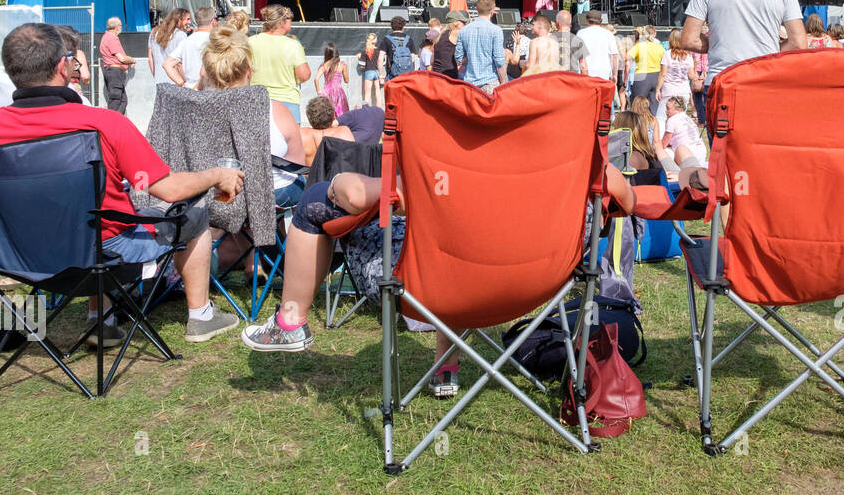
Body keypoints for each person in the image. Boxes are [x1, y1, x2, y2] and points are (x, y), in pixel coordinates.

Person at [0, 22, 243, 344]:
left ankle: (102, 321)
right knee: (194, 217)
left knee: (95, 216)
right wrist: (216, 174)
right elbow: (170, 189)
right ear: (62, 66)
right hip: (102, 260)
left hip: (19, 260)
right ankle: (201, 316)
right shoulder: (104, 123)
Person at [240, 166, 639, 366]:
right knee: (463, 248)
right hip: (537, 277)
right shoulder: (572, 172)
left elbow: (356, 195)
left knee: (314, 200)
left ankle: (291, 320)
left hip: (424, 280)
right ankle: (444, 369)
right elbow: (628, 201)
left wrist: (338, 179)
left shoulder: (443, 174)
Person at [202, 26, 307, 209]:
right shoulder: (274, 109)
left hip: (211, 195)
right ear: (249, 71)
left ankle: (234, 237)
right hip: (271, 197)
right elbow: (297, 165)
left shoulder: (194, 111)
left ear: (208, 72)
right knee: (309, 186)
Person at [249, 5, 310, 121]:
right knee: (290, 139)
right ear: (281, 22)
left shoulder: (250, 42)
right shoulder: (293, 45)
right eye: (289, 19)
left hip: (256, 99)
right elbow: (304, 75)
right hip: (286, 101)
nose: (291, 22)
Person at [455, 0, 507, 92]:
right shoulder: (496, 30)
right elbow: (499, 61)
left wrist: (472, 55)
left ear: (477, 10)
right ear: (492, 12)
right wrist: (503, 81)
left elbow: (458, 57)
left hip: (469, 83)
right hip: (489, 83)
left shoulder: (464, 30)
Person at [164, 6, 216, 89]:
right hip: (211, 90)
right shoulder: (215, 41)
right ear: (213, 21)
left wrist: (182, 84)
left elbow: (167, 64)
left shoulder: (186, 41)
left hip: (191, 90)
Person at [655, 28, 696, 124]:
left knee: (661, 118)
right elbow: (691, 75)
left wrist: (658, 89)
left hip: (669, 90)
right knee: (680, 120)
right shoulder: (688, 56)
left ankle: (661, 138)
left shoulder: (667, 54)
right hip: (683, 90)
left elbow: (663, 74)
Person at [300, 97, 355, 165]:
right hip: (336, 174)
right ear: (334, 116)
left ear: (308, 117)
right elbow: (353, 161)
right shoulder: (343, 132)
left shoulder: (301, 135)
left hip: (310, 174)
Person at [99, 16, 137, 114]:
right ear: (117, 27)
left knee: (122, 101)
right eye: (121, 25)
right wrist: (132, 60)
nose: (121, 27)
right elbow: (122, 58)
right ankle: (111, 125)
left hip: (113, 72)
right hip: (115, 72)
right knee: (116, 101)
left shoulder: (106, 37)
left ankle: (116, 123)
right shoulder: (112, 38)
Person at [377, 16, 419, 98]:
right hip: (406, 77)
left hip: (392, 76)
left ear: (392, 26)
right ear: (403, 26)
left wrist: (381, 74)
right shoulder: (409, 39)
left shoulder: (386, 39)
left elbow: (380, 58)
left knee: (392, 99)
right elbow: (412, 59)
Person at [576, 11, 621, 84]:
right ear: (601, 20)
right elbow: (615, 56)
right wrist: (615, 75)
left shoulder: (581, 34)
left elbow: (580, 57)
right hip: (604, 74)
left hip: (586, 74)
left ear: (587, 20)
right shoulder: (608, 34)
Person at [661, 96, 704, 168]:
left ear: (678, 109)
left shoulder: (672, 120)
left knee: (663, 152)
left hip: (687, 155)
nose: (666, 111)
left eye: (668, 108)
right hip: (701, 152)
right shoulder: (687, 117)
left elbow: (663, 144)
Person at [148, 8, 189, 79]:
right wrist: (185, 81)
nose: (189, 22)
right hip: (175, 81)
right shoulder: (181, 35)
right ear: (179, 20)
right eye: (187, 19)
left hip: (159, 80)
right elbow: (180, 63)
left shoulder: (154, 32)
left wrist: (155, 76)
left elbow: (150, 59)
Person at [628, 25, 664, 102]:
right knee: (655, 105)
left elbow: (627, 58)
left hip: (641, 76)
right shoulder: (660, 47)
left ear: (643, 35)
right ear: (655, 34)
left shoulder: (639, 46)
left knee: (638, 105)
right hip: (656, 76)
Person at [313, 42, 350, 117]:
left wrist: (319, 92)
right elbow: (347, 80)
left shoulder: (324, 65)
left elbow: (316, 79)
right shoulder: (342, 65)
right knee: (341, 113)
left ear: (326, 54)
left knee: (328, 114)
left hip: (327, 92)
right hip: (339, 93)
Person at [433, 11, 468, 78]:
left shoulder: (441, 34)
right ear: (456, 23)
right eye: (463, 22)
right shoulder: (456, 32)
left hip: (437, 74)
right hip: (448, 76)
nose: (465, 24)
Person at [553, 10, 589, 74]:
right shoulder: (577, 40)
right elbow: (583, 66)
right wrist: (586, 82)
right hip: (572, 78)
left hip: (554, 78)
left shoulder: (548, 39)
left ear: (557, 23)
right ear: (570, 23)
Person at [357, 32, 380, 107]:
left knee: (367, 94)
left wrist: (359, 57)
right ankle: (379, 109)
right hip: (377, 72)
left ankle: (366, 110)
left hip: (368, 72)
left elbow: (362, 66)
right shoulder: (379, 51)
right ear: (375, 41)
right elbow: (382, 62)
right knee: (378, 91)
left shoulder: (365, 52)